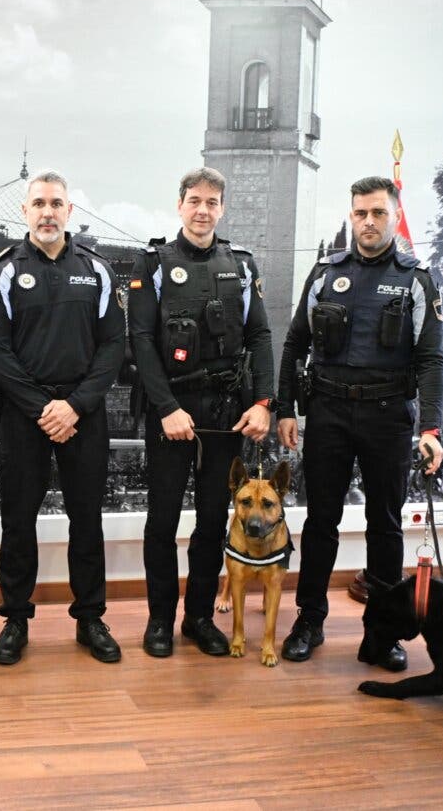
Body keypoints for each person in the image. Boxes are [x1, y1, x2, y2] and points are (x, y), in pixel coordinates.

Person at [276, 176, 443, 671]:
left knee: (385, 525)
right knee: (321, 520)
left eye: (377, 213)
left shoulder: (417, 279)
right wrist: (287, 409)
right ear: (351, 217)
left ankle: (382, 634)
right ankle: (309, 620)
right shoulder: (325, 274)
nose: (367, 222)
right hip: (327, 412)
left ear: (394, 216)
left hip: (388, 416)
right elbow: (294, 345)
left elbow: (432, 359)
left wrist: (430, 430)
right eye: (359, 213)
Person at [0, 170, 125, 664]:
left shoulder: (97, 271)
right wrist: (43, 408)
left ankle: (90, 618)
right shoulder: (0, 272)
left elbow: (112, 347)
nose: (47, 212)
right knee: (18, 521)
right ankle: (15, 619)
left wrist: (75, 405)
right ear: (24, 211)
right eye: (38, 203)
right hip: (25, 417)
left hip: (83, 414)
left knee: (87, 519)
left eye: (56, 203)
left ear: (69, 211)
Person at [127, 167, 273, 658]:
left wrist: (263, 402)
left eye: (212, 202)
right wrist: (166, 407)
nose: (203, 209)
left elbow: (260, 337)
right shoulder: (153, 263)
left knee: (212, 521)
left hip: (227, 413)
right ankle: (160, 621)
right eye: (194, 200)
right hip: (171, 410)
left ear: (222, 208)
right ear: (180, 204)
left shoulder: (244, 266)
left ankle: (200, 618)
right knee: (162, 521)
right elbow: (141, 341)